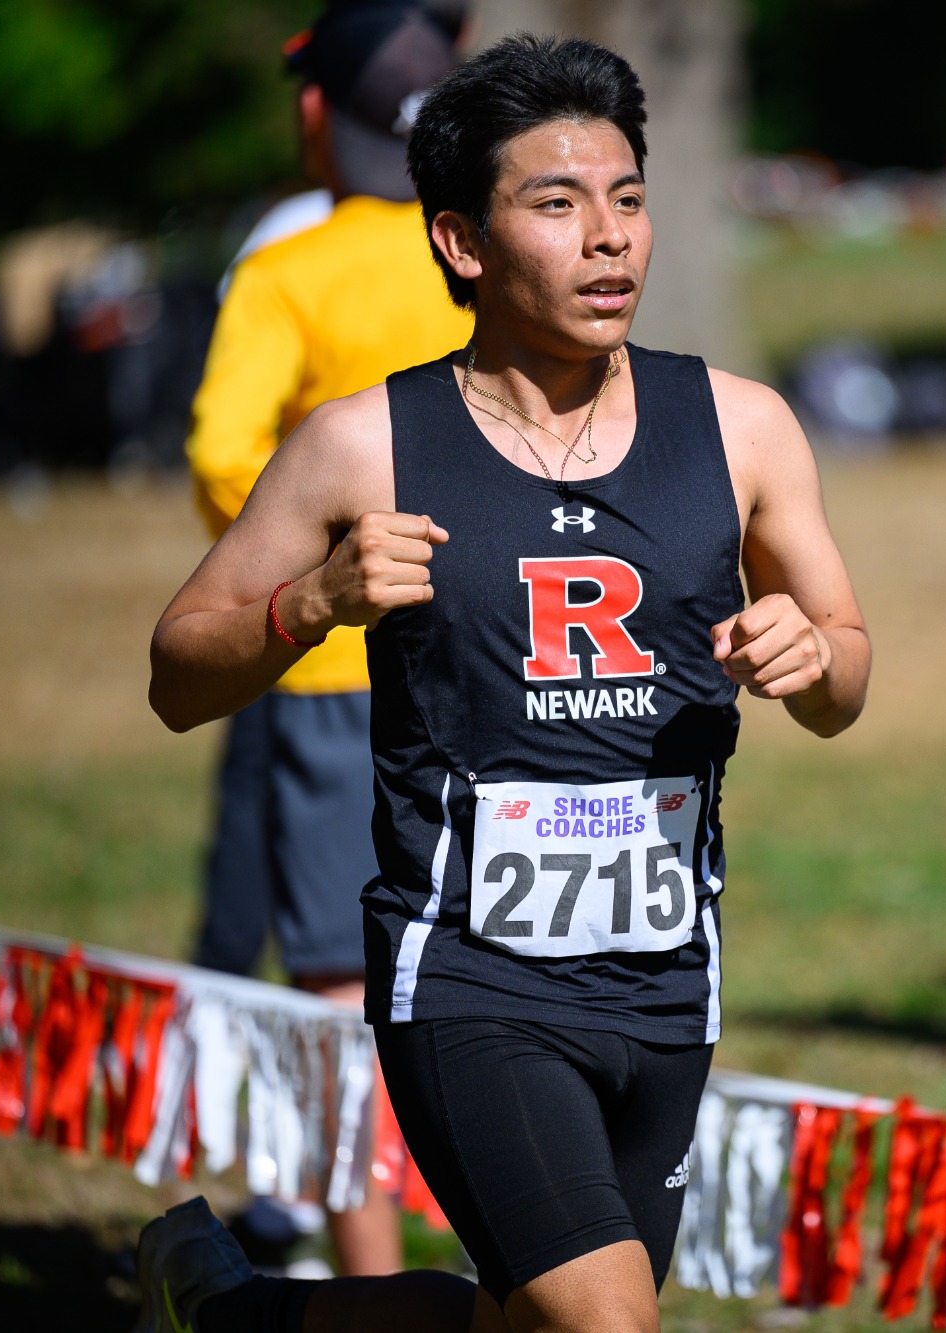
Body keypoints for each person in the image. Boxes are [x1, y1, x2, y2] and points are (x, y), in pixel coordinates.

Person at [138, 32, 871, 1333]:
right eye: (558, 202)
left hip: (664, 978)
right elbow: (179, 671)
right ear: (462, 244)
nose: (610, 239)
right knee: (607, 1322)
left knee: (520, 1323)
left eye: (628, 199)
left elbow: (848, 665)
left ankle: (250, 1320)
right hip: (470, 978)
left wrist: (813, 664)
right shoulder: (364, 446)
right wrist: (313, 604)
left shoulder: (744, 427)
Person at [183, 0, 469, 1276]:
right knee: (485, 979)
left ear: (317, 116)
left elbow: (219, 453)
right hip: (498, 673)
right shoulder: (485, 256)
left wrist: (308, 557)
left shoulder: (286, 276)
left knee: (341, 995)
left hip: (330, 681)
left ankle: (372, 1289)